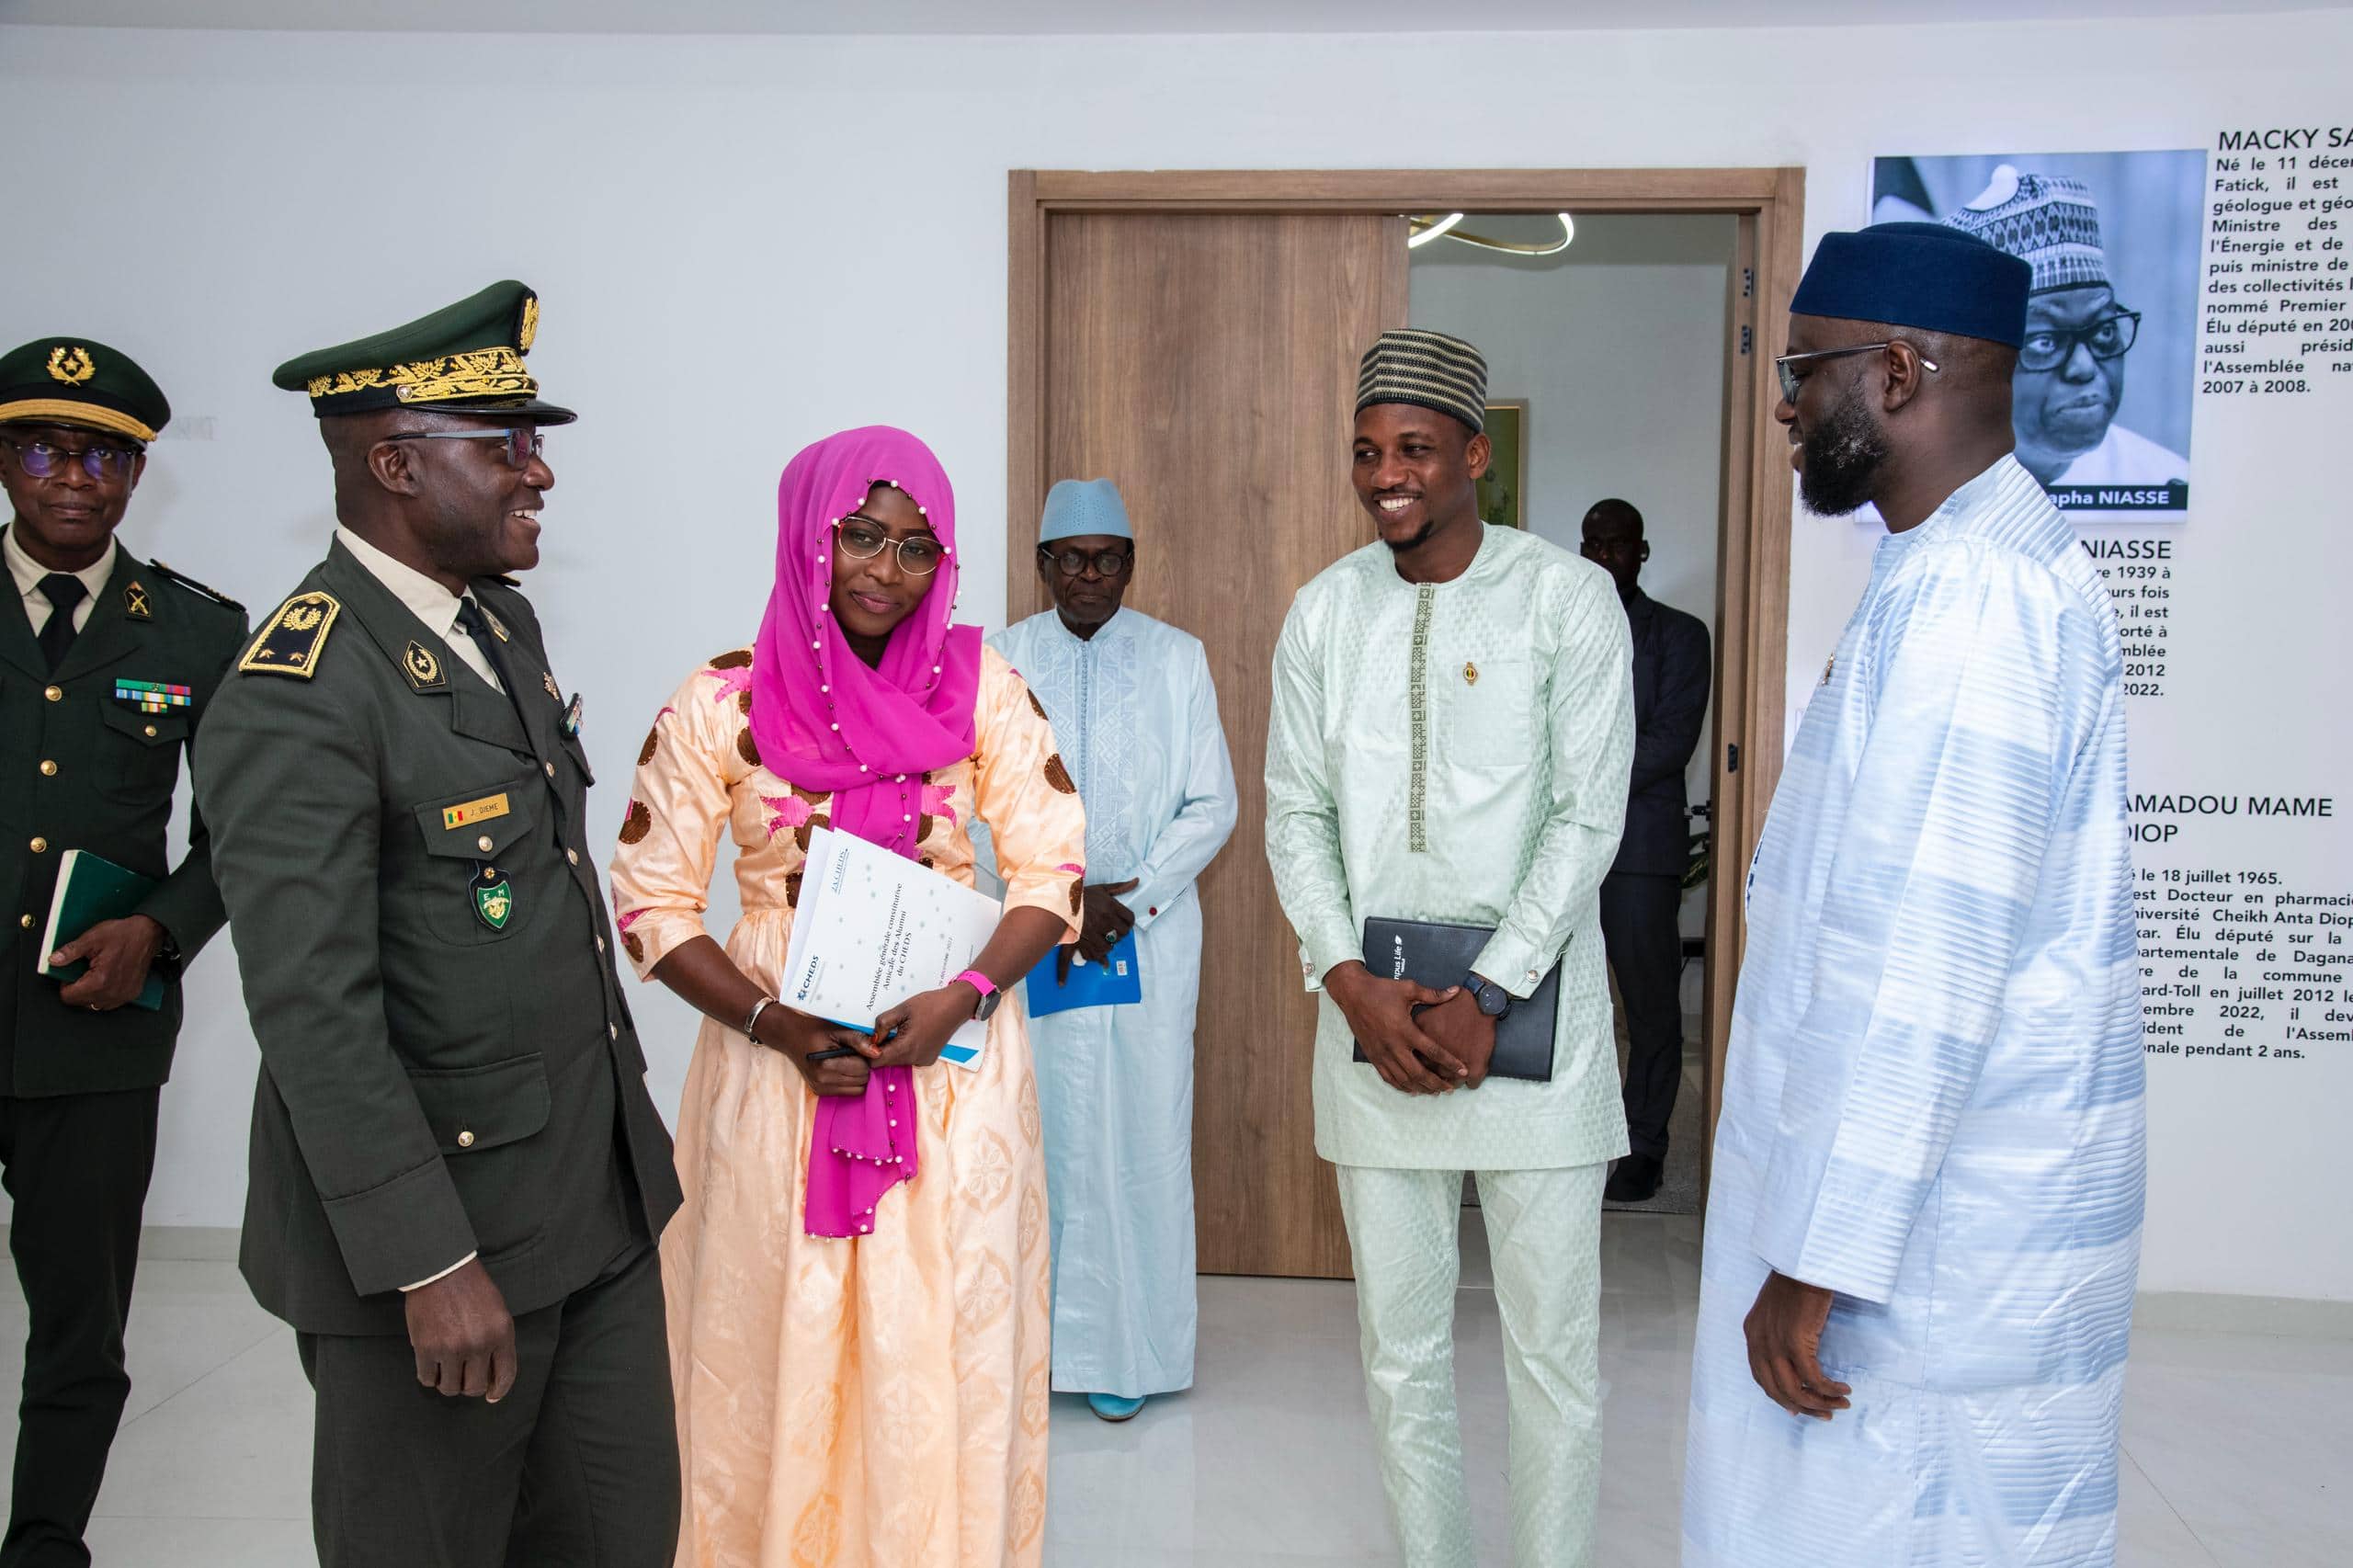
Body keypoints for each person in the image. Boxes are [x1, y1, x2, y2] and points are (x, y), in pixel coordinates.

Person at [193, 282, 683, 1568]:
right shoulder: (299, 690)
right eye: (505, 445)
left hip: (590, 1202)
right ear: (394, 463)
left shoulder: (497, 622)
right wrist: (426, 1260)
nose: (541, 473)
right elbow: (314, 1010)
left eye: (534, 440)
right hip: (442, 1245)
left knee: (623, 1535)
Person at [1682, 223, 2143, 1566]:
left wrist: (1820, 1258)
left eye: (1802, 371)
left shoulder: (1975, 599)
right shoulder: (1951, 565)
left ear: (1894, 372)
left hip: (1928, 1258)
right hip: (1936, 1223)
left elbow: (1924, 970)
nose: (1785, 403)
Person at [609, 426, 1086, 1567]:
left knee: (942, 1342)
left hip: (948, 1064)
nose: (886, 569)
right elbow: (650, 901)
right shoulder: (720, 699)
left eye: (918, 547)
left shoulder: (985, 683)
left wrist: (964, 994)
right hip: (775, 1061)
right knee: (777, 1324)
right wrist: (777, 1024)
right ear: (806, 537)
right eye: (860, 536)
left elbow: (1052, 870)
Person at [1265, 328, 1634, 1568]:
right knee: (1401, 1348)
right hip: (1374, 1032)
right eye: (1368, 451)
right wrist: (1348, 979)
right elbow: (1295, 814)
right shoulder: (1324, 613)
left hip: (1534, 1037)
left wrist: (1490, 987)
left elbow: (1590, 816)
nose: (1388, 476)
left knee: (1551, 1354)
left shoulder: (1563, 599)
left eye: (1415, 448)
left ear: (1477, 453)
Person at [0, 339, 245, 1568]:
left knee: (80, 1326)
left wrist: (161, 928)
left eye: (105, 453)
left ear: (139, 471)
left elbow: (241, 828)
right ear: (5, 459)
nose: (75, 477)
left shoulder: (197, 632)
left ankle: (44, 1542)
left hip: (92, 1028)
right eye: (47, 446)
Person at [988, 476, 1237, 1423]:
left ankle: (1132, 1350)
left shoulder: (1178, 658)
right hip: (1033, 938)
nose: (1089, 576)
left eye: (1108, 558)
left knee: (1142, 1133)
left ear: (1130, 564)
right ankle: (1035, 1351)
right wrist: (1055, 901)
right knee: (1036, 1131)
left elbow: (1212, 802)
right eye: (1070, 559)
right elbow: (976, 803)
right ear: (1043, 565)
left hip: (1148, 932)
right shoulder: (1001, 658)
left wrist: (1129, 898)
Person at [1577, 498, 1709, 1206]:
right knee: (1549, 996)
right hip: (1558, 846)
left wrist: (1576, 776)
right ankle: (1562, 1133)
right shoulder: (1561, 628)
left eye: (1617, 545)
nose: (1604, 557)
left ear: (1642, 551)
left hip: (1638, 848)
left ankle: (1646, 1144)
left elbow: (1669, 745)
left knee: (1649, 1004)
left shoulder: (1682, 637)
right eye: (1592, 545)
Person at [1944, 166, 2188, 502]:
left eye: (2103, 333)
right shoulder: (1910, 497)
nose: (2084, 367)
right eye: (2045, 341)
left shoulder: (2167, 481)